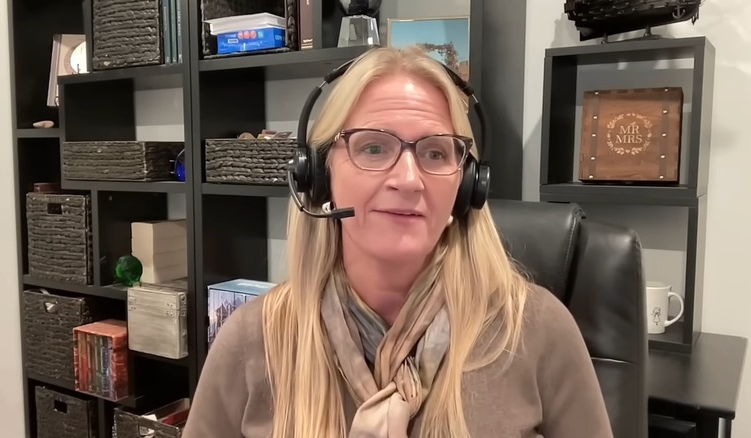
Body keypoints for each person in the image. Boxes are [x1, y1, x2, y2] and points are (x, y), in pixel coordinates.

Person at [182, 46, 613, 438]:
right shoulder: (252, 339)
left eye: (435, 153)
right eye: (373, 148)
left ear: (467, 188)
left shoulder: (536, 331)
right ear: (318, 176)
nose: (408, 180)